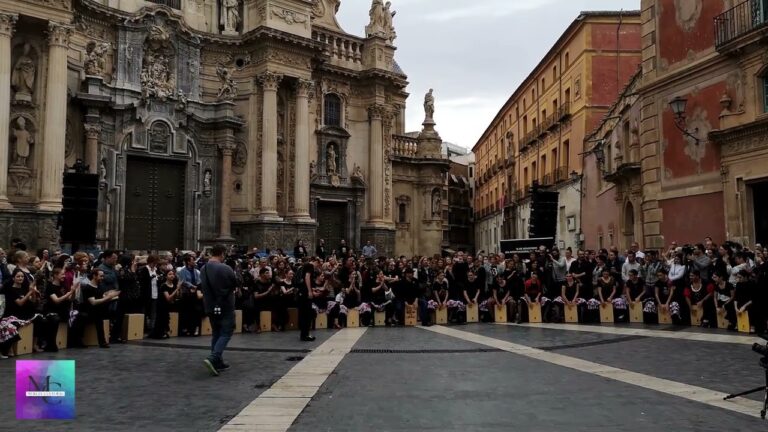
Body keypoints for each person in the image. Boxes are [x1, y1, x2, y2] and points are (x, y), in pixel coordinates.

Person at [200, 244, 238, 376]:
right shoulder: (225, 268)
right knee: (226, 332)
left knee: (216, 332)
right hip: (225, 305)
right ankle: (213, 357)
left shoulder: (203, 268)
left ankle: (217, 361)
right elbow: (236, 282)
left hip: (210, 306)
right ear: (222, 253)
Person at [298, 259, 316, 341]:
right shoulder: (310, 266)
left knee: (303, 314)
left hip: (301, 293)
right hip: (305, 293)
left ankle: (304, 334)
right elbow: (307, 277)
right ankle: (305, 335)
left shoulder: (303, 267)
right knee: (307, 314)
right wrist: (309, 291)